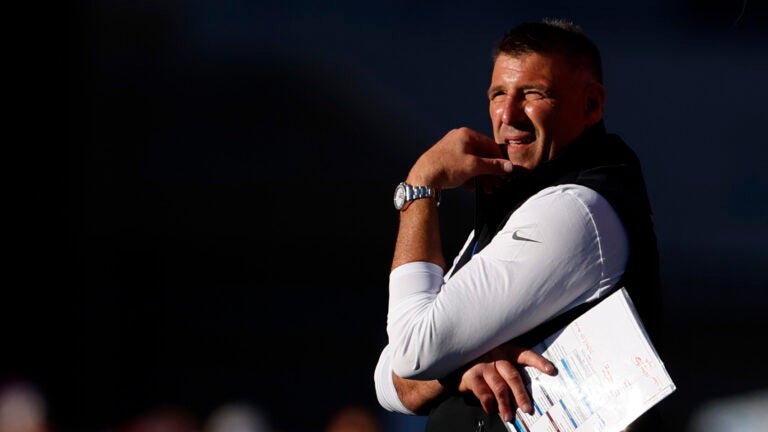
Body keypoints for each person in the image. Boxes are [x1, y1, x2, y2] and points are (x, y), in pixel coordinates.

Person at [374, 18, 664, 432]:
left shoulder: (573, 209)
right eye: (498, 95)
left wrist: (421, 188)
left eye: (533, 94)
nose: (508, 114)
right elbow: (389, 382)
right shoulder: (525, 197)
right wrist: (461, 368)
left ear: (591, 105)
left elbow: (410, 352)